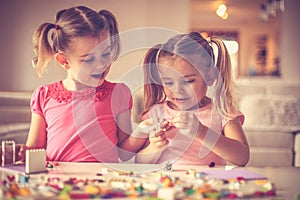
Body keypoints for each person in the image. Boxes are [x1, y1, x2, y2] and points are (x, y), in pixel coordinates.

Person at [22, 6, 144, 163]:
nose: (101, 64)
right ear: (64, 61)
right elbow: (33, 151)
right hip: (56, 183)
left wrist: (143, 130)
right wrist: (19, 153)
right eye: (89, 59)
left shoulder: (118, 94)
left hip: (102, 183)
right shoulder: (43, 96)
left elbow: (125, 153)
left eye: (106, 53)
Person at [135, 32, 250, 166]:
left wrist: (201, 132)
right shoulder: (156, 113)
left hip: (208, 185)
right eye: (169, 82)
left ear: (210, 76)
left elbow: (242, 157)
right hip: (165, 185)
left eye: (188, 81)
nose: (178, 90)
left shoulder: (222, 111)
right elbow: (138, 162)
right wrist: (154, 147)